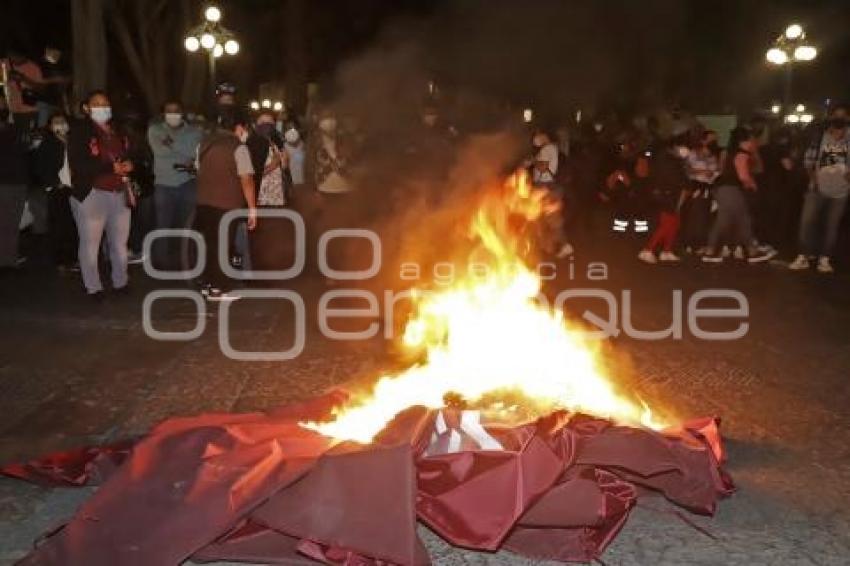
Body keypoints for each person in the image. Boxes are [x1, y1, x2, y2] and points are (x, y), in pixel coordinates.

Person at [67, 91, 137, 299]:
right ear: (86, 108)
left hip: (118, 192)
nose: (102, 107)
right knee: (90, 243)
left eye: (105, 104)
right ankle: (93, 286)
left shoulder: (117, 131)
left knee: (119, 243)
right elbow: (78, 164)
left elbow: (132, 153)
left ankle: (120, 282)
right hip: (92, 193)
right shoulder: (80, 131)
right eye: (96, 104)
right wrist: (109, 168)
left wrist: (129, 164)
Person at [194, 109, 256, 301]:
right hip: (226, 204)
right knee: (222, 247)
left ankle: (207, 284)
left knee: (210, 244)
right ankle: (218, 289)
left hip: (204, 203)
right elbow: (246, 179)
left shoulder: (203, 144)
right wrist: (252, 208)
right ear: (238, 127)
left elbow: (198, 169)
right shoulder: (238, 147)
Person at [702, 127, 776, 264]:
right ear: (744, 141)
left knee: (739, 220)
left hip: (724, 189)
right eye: (750, 140)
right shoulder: (742, 154)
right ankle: (712, 251)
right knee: (731, 220)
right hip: (731, 189)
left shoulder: (730, 152)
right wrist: (752, 185)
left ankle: (750, 251)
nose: (752, 143)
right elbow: (743, 175)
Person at [788, 116, 850, 273]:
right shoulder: (819, 140)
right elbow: (808, 162)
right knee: (807, 222)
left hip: (840, 192)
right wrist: (814, 181)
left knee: (831, 226)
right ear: (830, 129)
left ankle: (824, 258)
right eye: (836, 132)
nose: (839, 136)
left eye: (842, 132)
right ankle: (803, 256)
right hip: (817, 189)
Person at [147, 100, 202, 269]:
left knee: (186, 224)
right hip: (164, 183)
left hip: (187, 182)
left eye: (176, 110)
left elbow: (194, 153)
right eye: (168, 111)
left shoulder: (195, 131)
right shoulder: (155, 130)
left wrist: (170, 144)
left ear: (182, 112)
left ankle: (184, 260)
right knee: (163, 223)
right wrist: (183, 151)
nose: (172, 114)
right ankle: (160, 261)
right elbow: (160, 151)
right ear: (163, 113)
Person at [247, 110, 292, 275]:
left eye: (270, 122)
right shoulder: (253, 142)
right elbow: (251, 172)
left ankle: (273, 266)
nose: (267, 125)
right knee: (259, 235)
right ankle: (257, 268)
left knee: (274, 233)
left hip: (277, 197)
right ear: (255, 124)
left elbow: (286, 169)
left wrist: (284, 161)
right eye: (263, 122)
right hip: (260, 196)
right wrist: (273, 164)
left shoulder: (277, 141)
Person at [34, 112, 77, 271]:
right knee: (59, 225)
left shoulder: (72, 141)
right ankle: (61, 260)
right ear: (50, 126)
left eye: (63, 121)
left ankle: (73, 258)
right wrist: (55, 182)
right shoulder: (48, 143)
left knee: (72, 224)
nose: (60, 124)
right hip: (58, 189)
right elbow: (40, 167)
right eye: (56, 122)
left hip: (73, 188)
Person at [638, 139, 689, 263]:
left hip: (671, 194)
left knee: (674, 224)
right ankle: (647, 250)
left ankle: (667, 251)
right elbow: (674, 179)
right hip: (668, 195)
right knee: (666, 224)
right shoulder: (668, 161)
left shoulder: (671, 160)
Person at [530, 128, 573, 258]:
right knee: (541, 218)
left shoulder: (550, 148)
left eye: (538, 134)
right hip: (544, 186)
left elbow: (544, 168)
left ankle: (565, 246)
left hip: (547, 186)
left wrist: (533, 161)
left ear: (545, 135)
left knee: (552, 218)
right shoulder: (546, 149)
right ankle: (546, 246)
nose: (536, 138)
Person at [0, 96, 29, 269]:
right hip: (5, 181)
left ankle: (10, 258)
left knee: (12, 223)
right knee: (5, 222)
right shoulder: (13, 129)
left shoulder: (15, 128)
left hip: (17, 180)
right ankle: (7, 259)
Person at [680, 130, 720, 254]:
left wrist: (713, 174)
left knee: (703, 216)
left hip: (708, 187)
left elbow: (716, 172)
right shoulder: (693, 153)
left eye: (715, 139)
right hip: (696, 186)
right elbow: (686, 170)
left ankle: (699, 243)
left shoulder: (713, 156)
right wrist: (700, 172)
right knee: (693, 215)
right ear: (703, 140)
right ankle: (689, 243)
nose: (714, 142)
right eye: (711, 139)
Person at [1, 48, 42, 132]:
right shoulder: (3, 64)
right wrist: (6, 78)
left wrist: (23, 79)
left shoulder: (33, 67)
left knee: (27, 138)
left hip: (28, 112)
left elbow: (40, 88)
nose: (14, 58)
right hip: (7, 112)